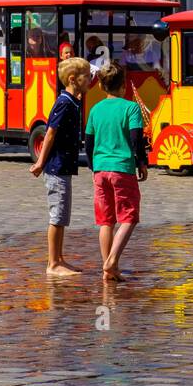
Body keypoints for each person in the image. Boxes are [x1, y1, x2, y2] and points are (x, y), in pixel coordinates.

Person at [84, 63, 148, 282]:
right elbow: (136, 139)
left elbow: (88, 143)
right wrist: (141, 162)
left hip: (100, 170)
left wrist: (94, 167)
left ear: (101, 86)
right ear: (124, 85)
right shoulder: (131, 108)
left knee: (106, 221)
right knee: (129, 217)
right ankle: (112, 261)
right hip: (122, 168)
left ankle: (108, 269)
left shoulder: (95, 109)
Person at [29, 57, 91, 276]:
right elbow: (50, 133)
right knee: (57, 215)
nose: (91, 78)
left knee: (63, 215)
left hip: (64, 166)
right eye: (87, 76)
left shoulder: (73, 100)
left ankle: (59, 258)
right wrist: (40, 162)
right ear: (73, 79)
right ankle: (53, 263)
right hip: (56, 167)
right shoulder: (64, 102)